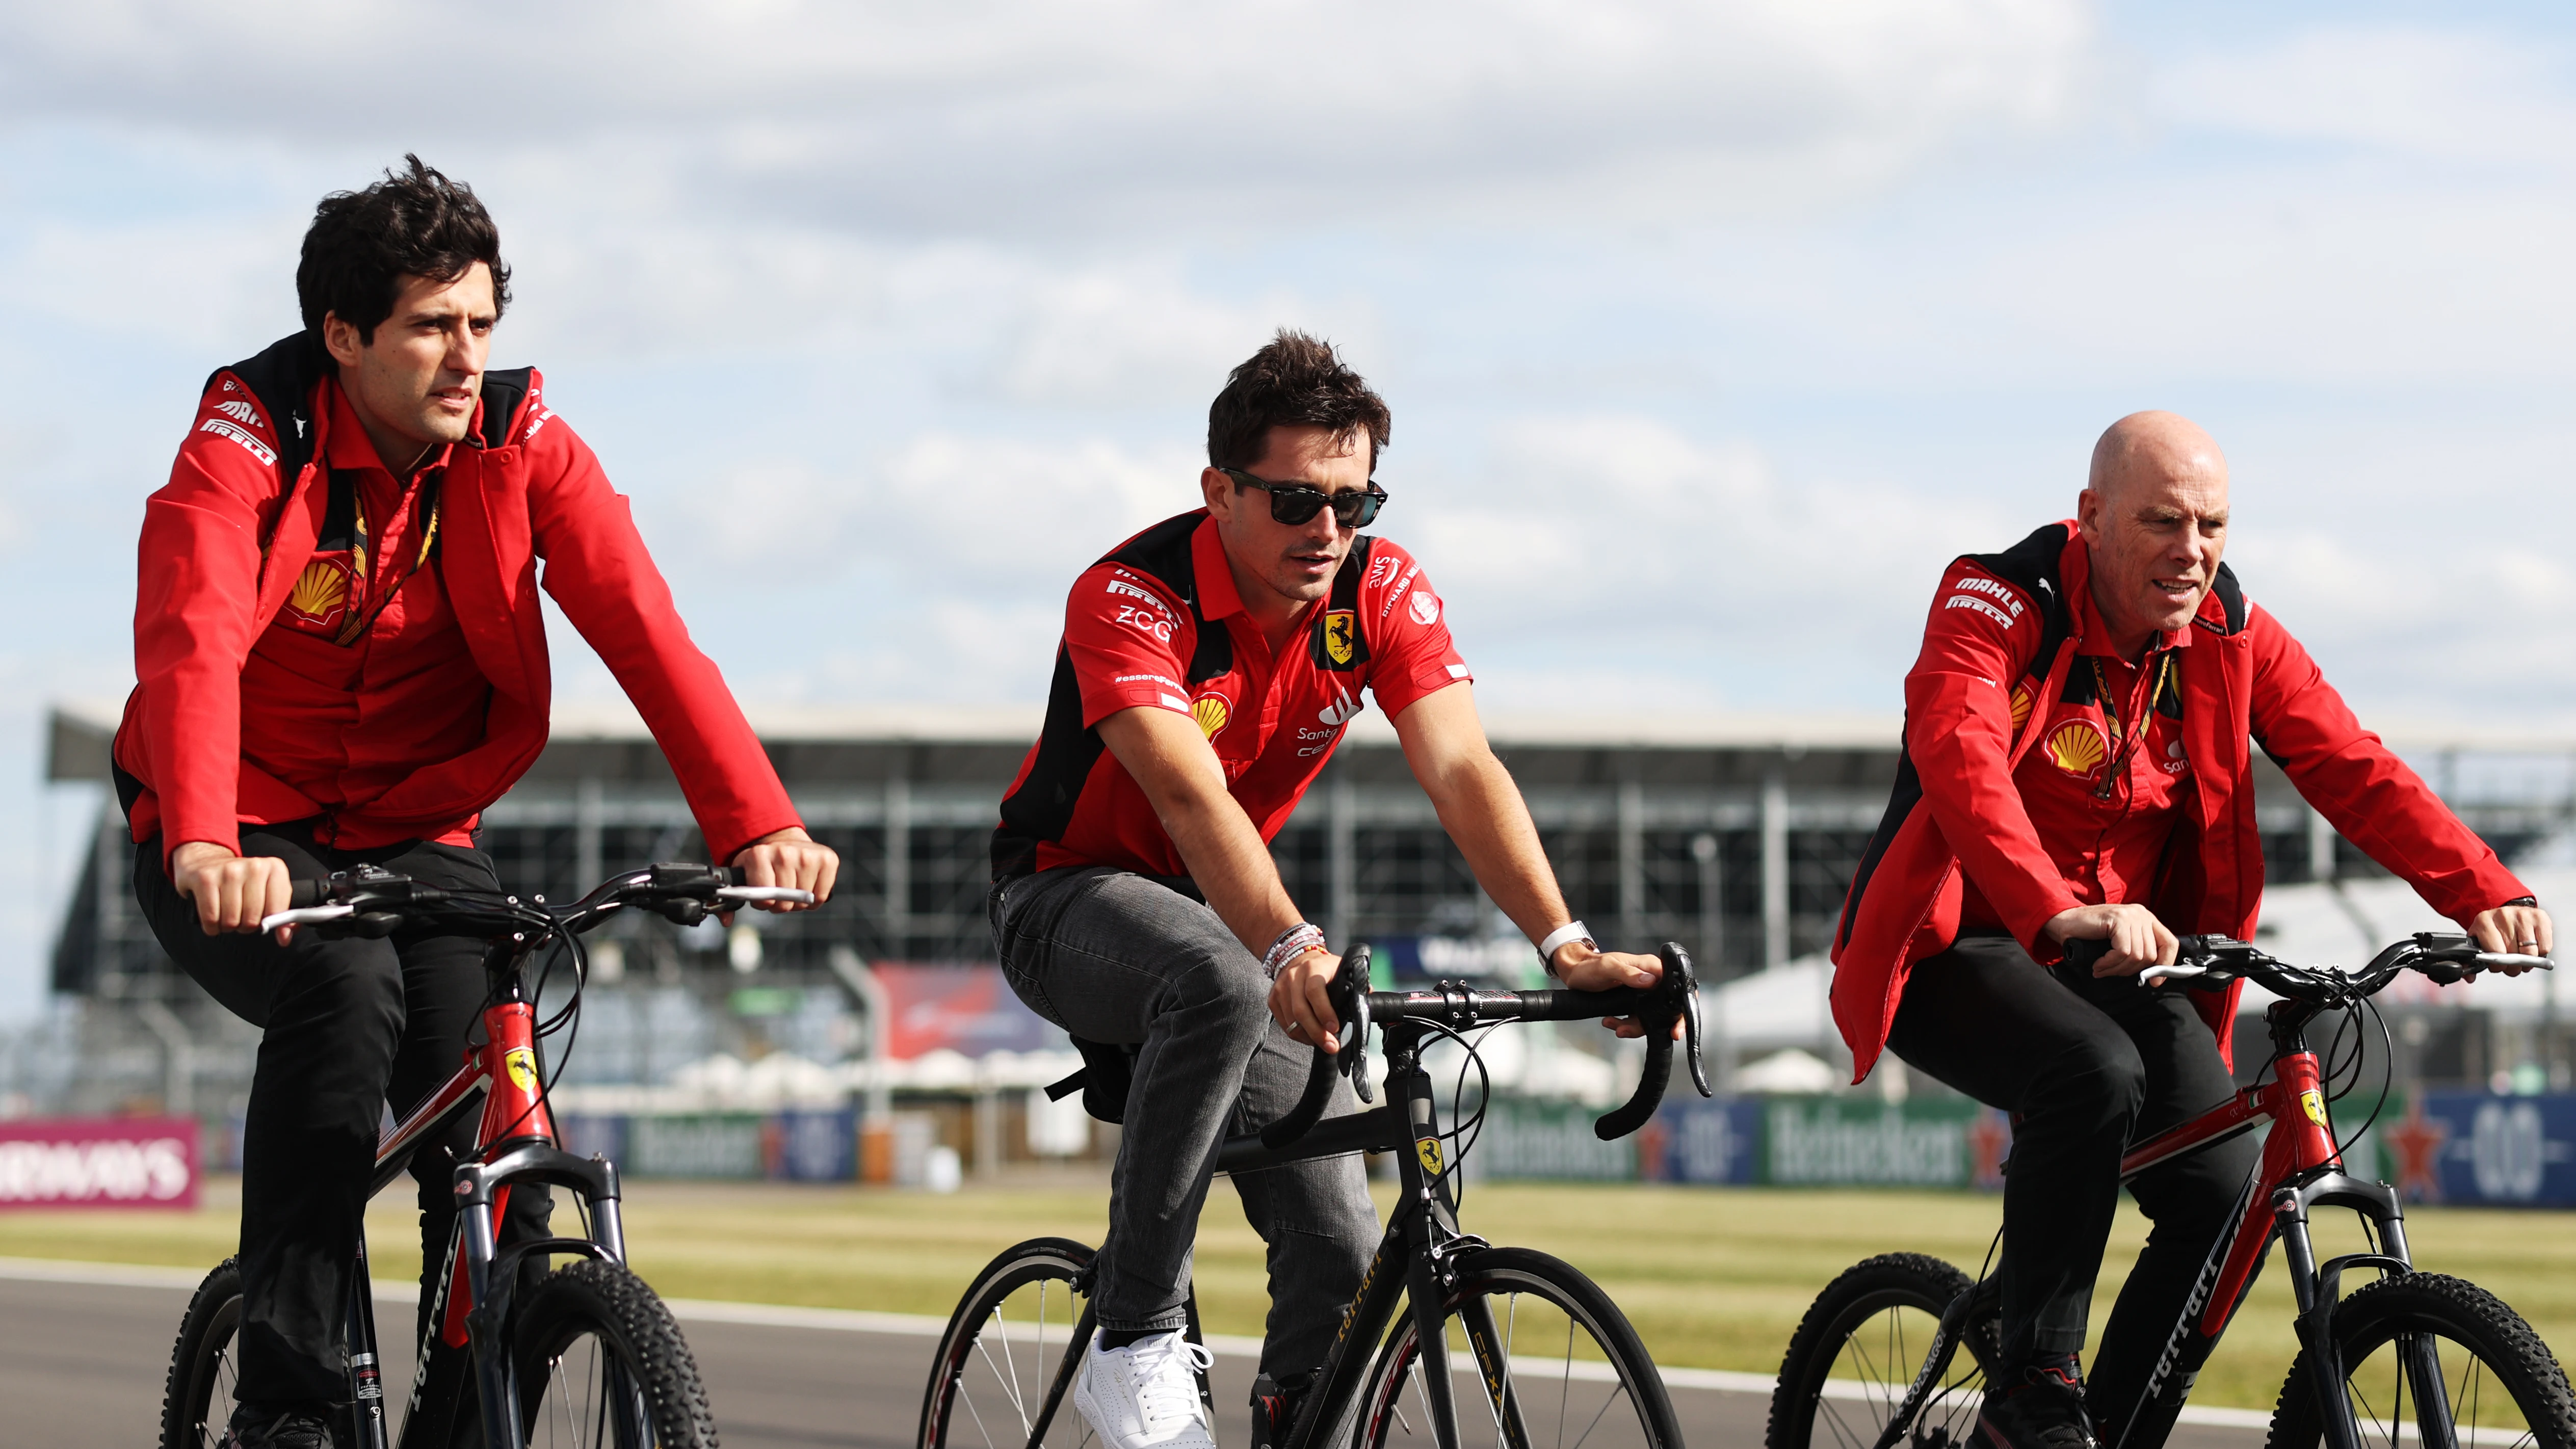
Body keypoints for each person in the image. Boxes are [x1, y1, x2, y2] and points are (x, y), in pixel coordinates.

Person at [117, 157, 839, 1448]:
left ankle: (473, 1400)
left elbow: (646, 629)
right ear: (343, 336)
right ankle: (288, 1401)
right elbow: (195, 629)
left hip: (418, 828)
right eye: (433, 327)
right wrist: (208, 838)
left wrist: (756, 821)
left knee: (496, 1066)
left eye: (484, 323)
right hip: (240, 825)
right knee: (344, 994)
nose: (468, 357)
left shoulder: (522, 443)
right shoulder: (249, 435)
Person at [990, 331, 1661, 1449]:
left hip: (1221, 921)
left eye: (1356, 503)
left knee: (1344, 1234)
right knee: (1215, 973)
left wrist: (1566, 944)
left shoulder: (1378, 587)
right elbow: (1189, 797)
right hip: (1067, 894)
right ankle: (1134, 1337)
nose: (1330, 531)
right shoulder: (1131, 594)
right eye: (1299, 500)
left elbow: (1459, 768)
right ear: (1220, 490)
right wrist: (1290, 946)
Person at [1832, 411, 2553, 1449]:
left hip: (2124, 954)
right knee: (2089, 1068)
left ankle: (2109, 1427)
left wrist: (2475, 886)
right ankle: (2030, 1390)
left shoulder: (2227, 627)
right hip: (1962, 942)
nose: (2193, 548)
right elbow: (1961, 753)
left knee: (2223, 1181)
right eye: (2162, 520)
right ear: (2089, 518)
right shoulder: (1994, 597)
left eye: (2211, 522)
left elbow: (2349, 762)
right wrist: (2054, 905)